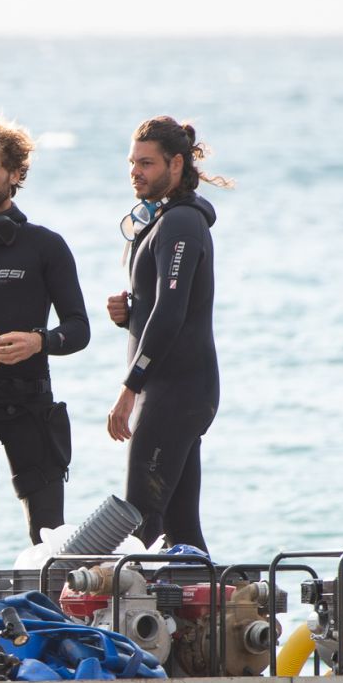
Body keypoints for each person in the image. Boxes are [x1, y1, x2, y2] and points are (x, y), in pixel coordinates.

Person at [0, 111, 90, 568]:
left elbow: (78, 328)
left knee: (50, 538)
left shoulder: (45, 246)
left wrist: (38, 342)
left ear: (14, 172)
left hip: (30, 406)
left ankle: (52, 627)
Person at [105, 116, 230, 551]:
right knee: (181, 530)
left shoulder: (180, 223)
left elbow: (172, 313)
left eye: (147, 163)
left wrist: (129, 387)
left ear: (176, 164)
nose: (136, 172)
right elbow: (166, 308)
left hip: (175, 391)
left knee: (141, 525)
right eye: (132, 162)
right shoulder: (166, 221)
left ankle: (141, 620)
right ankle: (217, 614)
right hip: (179, 389)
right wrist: (129, 315)